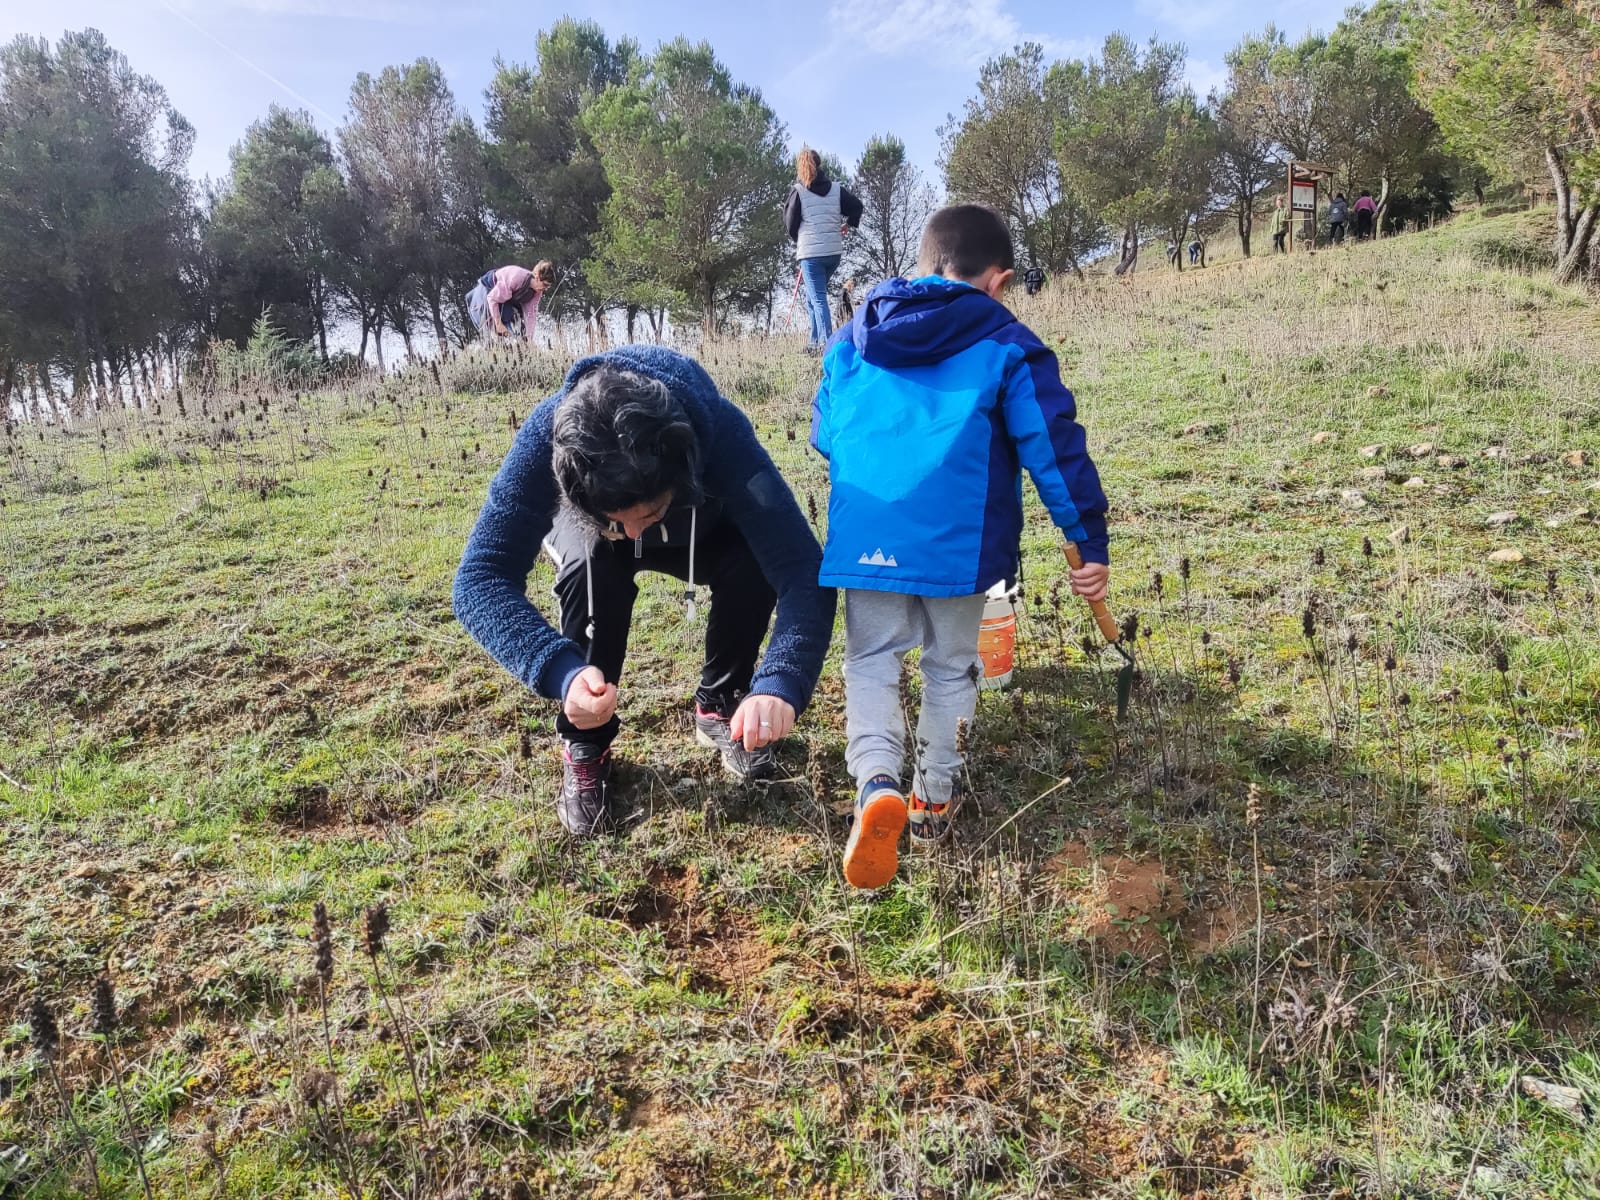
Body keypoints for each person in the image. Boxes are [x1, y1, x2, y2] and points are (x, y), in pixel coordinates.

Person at [810, 205, 1110, 889]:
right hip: (960, 543)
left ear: (923, 263)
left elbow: (826, 432)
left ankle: (875, 783)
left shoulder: (853, 337)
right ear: (997, 280)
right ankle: (932, 803)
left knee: (872, 662)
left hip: (869, 534)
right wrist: (1085, 541)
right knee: (949, 668)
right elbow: (1052, 450)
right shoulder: (1006, 340)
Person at [454, 347, 837, 837]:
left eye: (646, 514)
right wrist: (559, 672)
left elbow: (802, 568)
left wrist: (781, 682)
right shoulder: (547, 435)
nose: (633, 535)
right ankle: (587, 738)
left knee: (752, 560)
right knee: (594, 561)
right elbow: (479, 578)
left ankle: (721, 703)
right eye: (620, 520)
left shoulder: (720, 436)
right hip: (590, 541)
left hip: (698, 532)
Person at [784, 148, 864, 353]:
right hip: (833, 253)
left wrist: (798, 240)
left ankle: (827, 346)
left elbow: (790, 223)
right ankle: (813, 342)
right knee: (812, 296)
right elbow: (857, 206)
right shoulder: (837, 189)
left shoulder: (798, 191)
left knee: (818, 298)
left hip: (811, 254)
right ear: (819, 165)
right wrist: (849, 223)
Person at [467, 261, 554, 342]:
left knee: (520, 324)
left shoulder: (537, 291)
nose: (545, 289)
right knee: (506, 315)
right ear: (537, 277)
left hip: (510, 297)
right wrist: (498, 324)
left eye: (548, 287)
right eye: (545, 285)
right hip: (490, 289)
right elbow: (492, 299)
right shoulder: (515, 279)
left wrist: (529, 338)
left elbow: (531, 315)